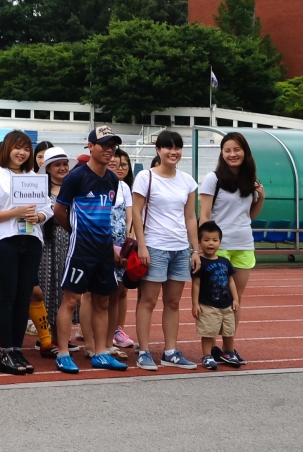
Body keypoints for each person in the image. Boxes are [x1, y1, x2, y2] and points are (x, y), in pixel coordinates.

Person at [50, 127, 128, 374]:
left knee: (103, 301)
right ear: (90, 146)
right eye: (104, 144)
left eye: (112, 146)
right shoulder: (76, 177)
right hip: (81, 249)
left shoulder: (113, 179)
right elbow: (59, 212)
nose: (109, 150)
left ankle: (101, 352)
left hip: (104, 250)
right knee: (71, 300)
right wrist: (76, 231)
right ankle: (63, 353)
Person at [0, 130, 52, 375]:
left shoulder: (34, 177)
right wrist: (15, 212)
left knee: (23, 296)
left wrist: (37, 216)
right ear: (7, 148)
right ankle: (5, 350)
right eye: (17, 147)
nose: (22, 153)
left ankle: (17, 348)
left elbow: (46, 210)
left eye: (26, 148)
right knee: (7, 295)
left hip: (31, 240)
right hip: (5, 241)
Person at [132, 130, 201, 372]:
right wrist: (141, 244)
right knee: (148, 301)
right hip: (154, 246)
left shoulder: (187, 181)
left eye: (177, 147)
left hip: (180, 249)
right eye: (168, 147)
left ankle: (170, 351)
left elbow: (190, 217)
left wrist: (195, 249)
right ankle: (143, 351)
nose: (173, 152)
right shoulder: (145, 177)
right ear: (158, 150)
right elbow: (137, 213)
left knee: (173, 303)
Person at [199, 131, 262, 363]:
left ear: (245, 152)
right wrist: (200, 249)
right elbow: (204, 215)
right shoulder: (213, 179)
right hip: (219, 248)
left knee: (237, 299)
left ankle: (228, 349)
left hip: (244, 245)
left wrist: (260, 199)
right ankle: (208, 351)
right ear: (222, 153)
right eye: (227, 150)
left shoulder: (250, 180)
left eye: (237, 149)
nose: (232, 154)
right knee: (215, 298)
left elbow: (248, 216)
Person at [191, 221, 241, 370]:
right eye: (206, 240)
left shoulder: (225, 262)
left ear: (220, 241)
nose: (210, 243)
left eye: (215, 240)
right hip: (208, 305)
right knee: (208, 332)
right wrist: (195, 304)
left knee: (229, 331)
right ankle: (207, 355)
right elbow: (196, 284)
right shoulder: (199, 263)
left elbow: (231, 281)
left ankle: (229, 352)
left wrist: (236, 299)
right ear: (199, 242)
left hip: (226, 304)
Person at [35, 147, 70, 358]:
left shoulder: (72, 187)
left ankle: (63, 336)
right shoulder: (40, 189)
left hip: (68, 241)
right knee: (47, 288)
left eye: (65, 163)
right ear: (47, 169)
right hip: (46, 243)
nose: (62, 168)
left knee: (66, 289)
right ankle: (46, 337)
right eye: (57, 164)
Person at [107, 148, 136, 354]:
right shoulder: (96, 183)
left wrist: (128, 245)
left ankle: (116, 331)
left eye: (123, 164)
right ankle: (94, 335)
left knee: (119, 291)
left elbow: (130, 218)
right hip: (102, 245)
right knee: (97, 294)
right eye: (114, 163)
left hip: (121, 247)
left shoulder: (125, 187)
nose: (118, 167)